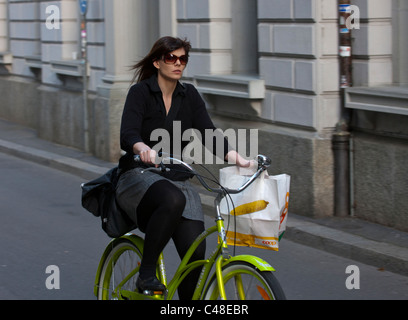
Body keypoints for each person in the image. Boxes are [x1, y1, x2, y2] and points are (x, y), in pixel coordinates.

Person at [116, 36, 250, 300]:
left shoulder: (189, 95)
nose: (178, 64)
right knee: (172, 199)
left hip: (175, 176)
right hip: (138, 174)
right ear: (157, 62)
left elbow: (210, 133)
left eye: (183, 59)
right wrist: (142, 148)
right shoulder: (140, 93)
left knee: (196, 252)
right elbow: (128, 133)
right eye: (171, 58)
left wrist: (239, 159)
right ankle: (146, 273)